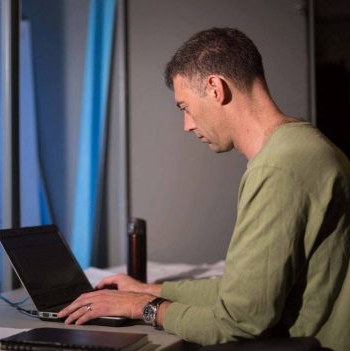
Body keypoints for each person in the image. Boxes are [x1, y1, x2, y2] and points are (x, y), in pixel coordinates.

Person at [57, 27, 350, 350]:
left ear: (215, 88)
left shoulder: (279, 167)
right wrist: (150, 290)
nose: (188, 125)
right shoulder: (304, 145)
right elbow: (243, 292)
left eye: (184, 107)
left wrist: (138, 307)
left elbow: (240, 321)